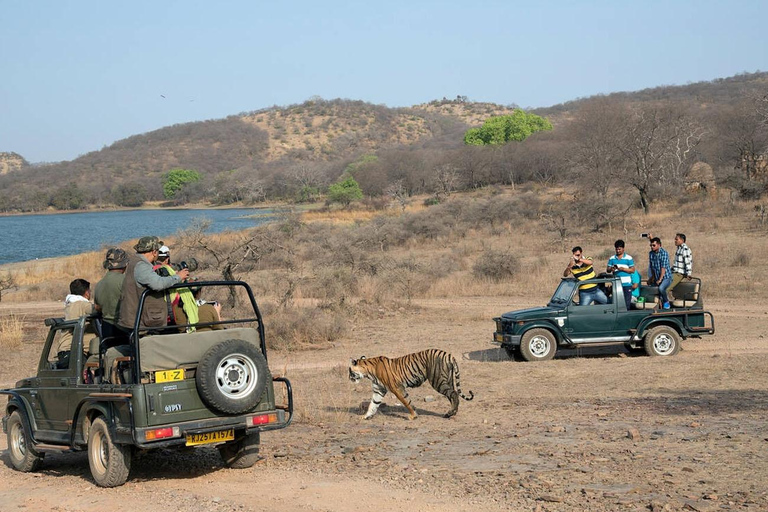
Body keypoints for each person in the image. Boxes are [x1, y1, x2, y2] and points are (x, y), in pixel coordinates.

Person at [117, 236, 190, 333]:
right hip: (140, 322)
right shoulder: (141, 265)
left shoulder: (135, 261)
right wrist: (178, 277)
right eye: (158, 251)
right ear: (154, 252)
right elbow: (158, 284)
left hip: (136, 319)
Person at [52, 278, 96, 362]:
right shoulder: (82, 305)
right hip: (75, 352)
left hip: (66, 351)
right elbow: (96, 309)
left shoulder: (70, 304)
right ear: (86, 292)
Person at [93, 247, 128, 340]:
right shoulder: (125, 281)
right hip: (123, 329)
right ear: (125, 264)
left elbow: (97, 307)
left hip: (106, 329)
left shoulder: (99, 284)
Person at [607, 240, 636, 309]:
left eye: (619, 249)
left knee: (626, 304)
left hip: (627, 284)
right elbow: (607, 270)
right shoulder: (612, 258)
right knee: (617, 303)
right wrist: (611, 269)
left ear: (623, 248)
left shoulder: (629, 258)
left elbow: (632, 270)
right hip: (616, 284)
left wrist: (623, 269)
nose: (618, 251)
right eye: (616, 249)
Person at [648, 237, 672, 309]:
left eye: (654, 245)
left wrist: (660, 279)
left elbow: (663, 267)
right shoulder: (651, 254)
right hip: (656, 276)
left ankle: (666, 301)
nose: (652, 247)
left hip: (666, 277)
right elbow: (652, 266)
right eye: (651, 245)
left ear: (659, 245)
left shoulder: (664, 253)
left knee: (661, 288)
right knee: (651, 290)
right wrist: (652, 277)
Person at [667, 233, 693, 301]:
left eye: (676, 239)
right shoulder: (679, 248)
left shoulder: (685, 249)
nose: (675, 241)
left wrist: (689, 273)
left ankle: (664, 304)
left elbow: (688, 262)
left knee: (666, 288)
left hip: (679, 273)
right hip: (675, 272)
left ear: (682, 240)